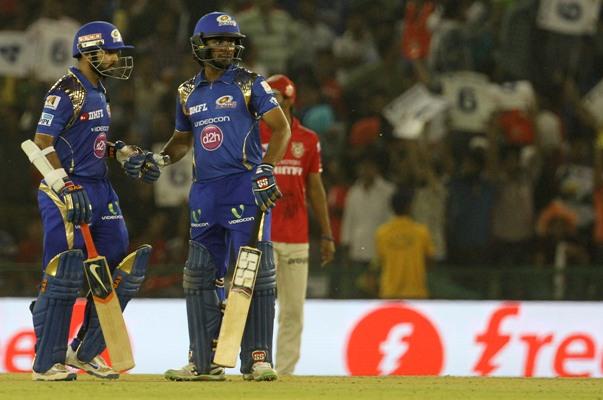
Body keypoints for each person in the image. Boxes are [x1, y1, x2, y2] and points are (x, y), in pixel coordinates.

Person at [147, 12, 290, 382]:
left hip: (245, 185)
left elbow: (281, 129)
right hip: (205, 193)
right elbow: (182, 141)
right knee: (199, 277)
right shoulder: (186, 91)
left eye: (232, 42)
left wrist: (267, 168)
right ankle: (202, 360)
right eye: (219, 41)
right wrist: (160, 158)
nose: (227, 47)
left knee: (253, 274)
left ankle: (257, 359)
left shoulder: (250, 83)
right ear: (200, 45)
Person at [24, 21, 158, 381]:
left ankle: (84, 349)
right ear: (87, 51)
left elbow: (90, 143)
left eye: (117, 52)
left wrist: (120, 152)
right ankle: (46, 361)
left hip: (100, 188)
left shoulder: (100, 89)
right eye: (110, 51)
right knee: (63, 272)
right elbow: (41, 142)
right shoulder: (67, 89)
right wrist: (65, 185)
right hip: (64, 190)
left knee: (117, 264)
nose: (116, 58)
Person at [259, 74, 335, 375]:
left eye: (276, 97)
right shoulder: (255, 134)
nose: (270, 102)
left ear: (290, 100)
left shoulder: (309, 140)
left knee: (293, 311)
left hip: (296, 237)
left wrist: (327, 234)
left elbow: (315, 189)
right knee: (258, 307)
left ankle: (285, 374)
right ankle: (256, 364)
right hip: (261, 235)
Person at [375, 188, 435, 299]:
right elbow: (429, 260)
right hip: (416, 292)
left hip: (390, 292)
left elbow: (380, 261)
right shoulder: (421, 232)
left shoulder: (382, 233)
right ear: (409, 207)